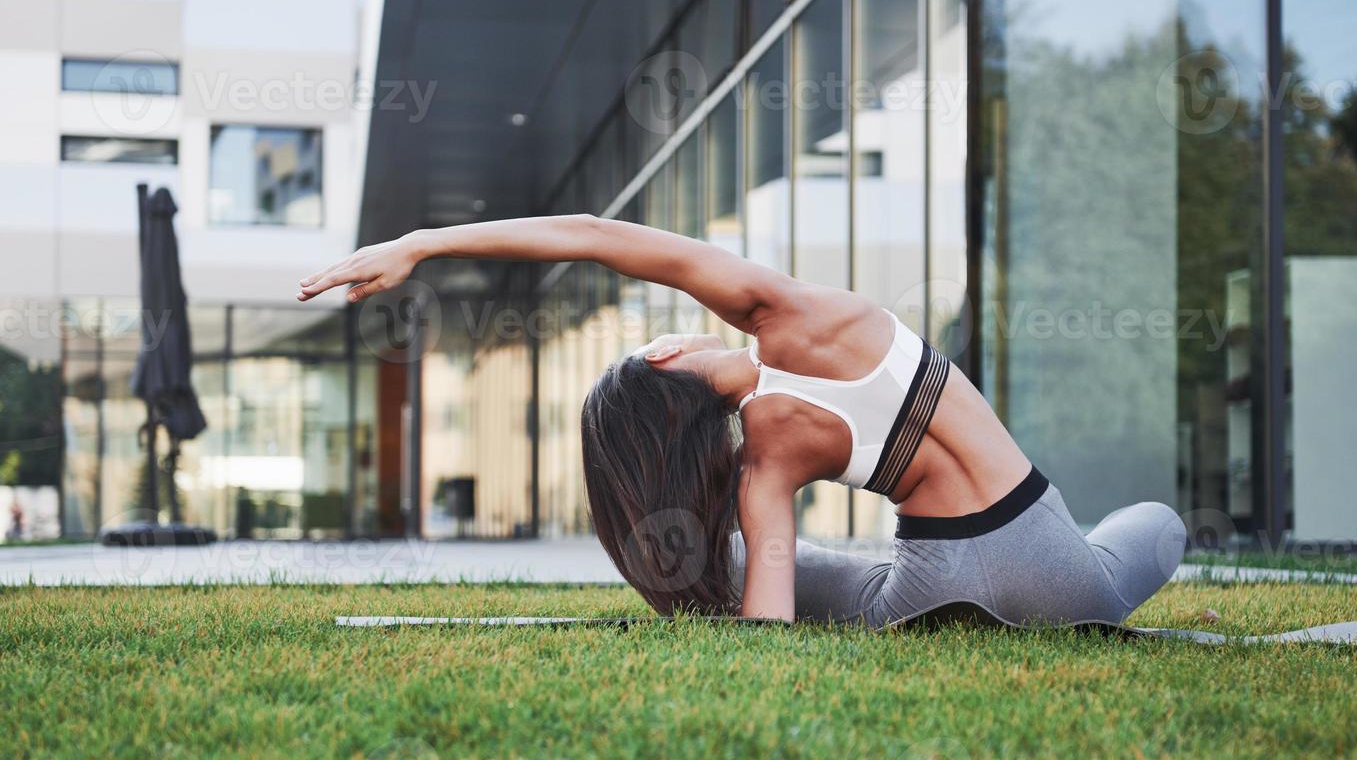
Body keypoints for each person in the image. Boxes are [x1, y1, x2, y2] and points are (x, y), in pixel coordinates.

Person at [299, 215, 1186, 627]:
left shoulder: (764, 458)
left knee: (752, 559)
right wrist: (422, 244)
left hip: (925, 602)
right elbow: (596, 235)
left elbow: (766, 619)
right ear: (662, 359)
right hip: (1059, 576)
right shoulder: (787, 314)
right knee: (1156, 525)